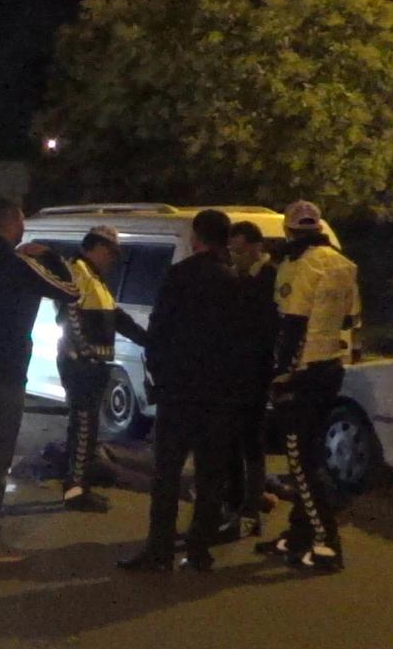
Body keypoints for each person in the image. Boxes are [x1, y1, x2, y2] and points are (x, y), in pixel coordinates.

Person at [0, 199, 80, 562]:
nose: (24, 227)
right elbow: (71, 291)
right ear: (10, 222)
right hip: (5, 372)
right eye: (21, 220)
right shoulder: (18, 264)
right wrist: (49, 256)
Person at [119, 209, 237, 573]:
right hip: (218, 392)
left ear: (196, 237)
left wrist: (159, 376)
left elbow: (159, 330)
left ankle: (159, 549)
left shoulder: (180, 275)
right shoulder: (235, 280)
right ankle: (199, 550)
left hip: (179, 390)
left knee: (167, 473)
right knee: (210, 474)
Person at [254, 200, 359, 573]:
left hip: (302, 374)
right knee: (308, 457)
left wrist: (282, 375)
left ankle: (326, 544)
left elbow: (292, 324)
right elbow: (350, 319)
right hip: (330, 368)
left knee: (301, 463)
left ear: (288, 230)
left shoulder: (298, 266)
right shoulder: (343, 264)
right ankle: (298, 535)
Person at [57, 225, 150, 512]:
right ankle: (75, 492)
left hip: (91, 365)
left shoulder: (95, 278)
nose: (113, 259)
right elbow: (68, 315)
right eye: (110, 252)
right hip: (81, 365)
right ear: (95, 247)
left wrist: (151, 341)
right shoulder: (77, 272)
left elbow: (119, 319)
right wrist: (84, 354)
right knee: (84, 428)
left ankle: (78, 484)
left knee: (85, 428)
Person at [219, 220, 278, 539]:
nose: (235, 257)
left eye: (240, 251)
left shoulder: (272, 278)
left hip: (256, 373)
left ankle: (250, 510)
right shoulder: (236, 278)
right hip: (234, 372)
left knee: (251, 444)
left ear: (257, 247)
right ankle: (236, 503)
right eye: (232, 251)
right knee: (232, 440)